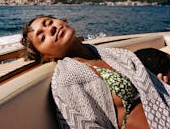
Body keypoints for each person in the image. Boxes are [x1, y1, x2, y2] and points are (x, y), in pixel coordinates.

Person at [21, 15, 170, 129]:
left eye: (50, 22)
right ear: (47, 57)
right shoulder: (66, 81)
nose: (51, 29)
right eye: (42, 36)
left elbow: (149, 89)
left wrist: (157, 87)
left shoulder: (113, 55)